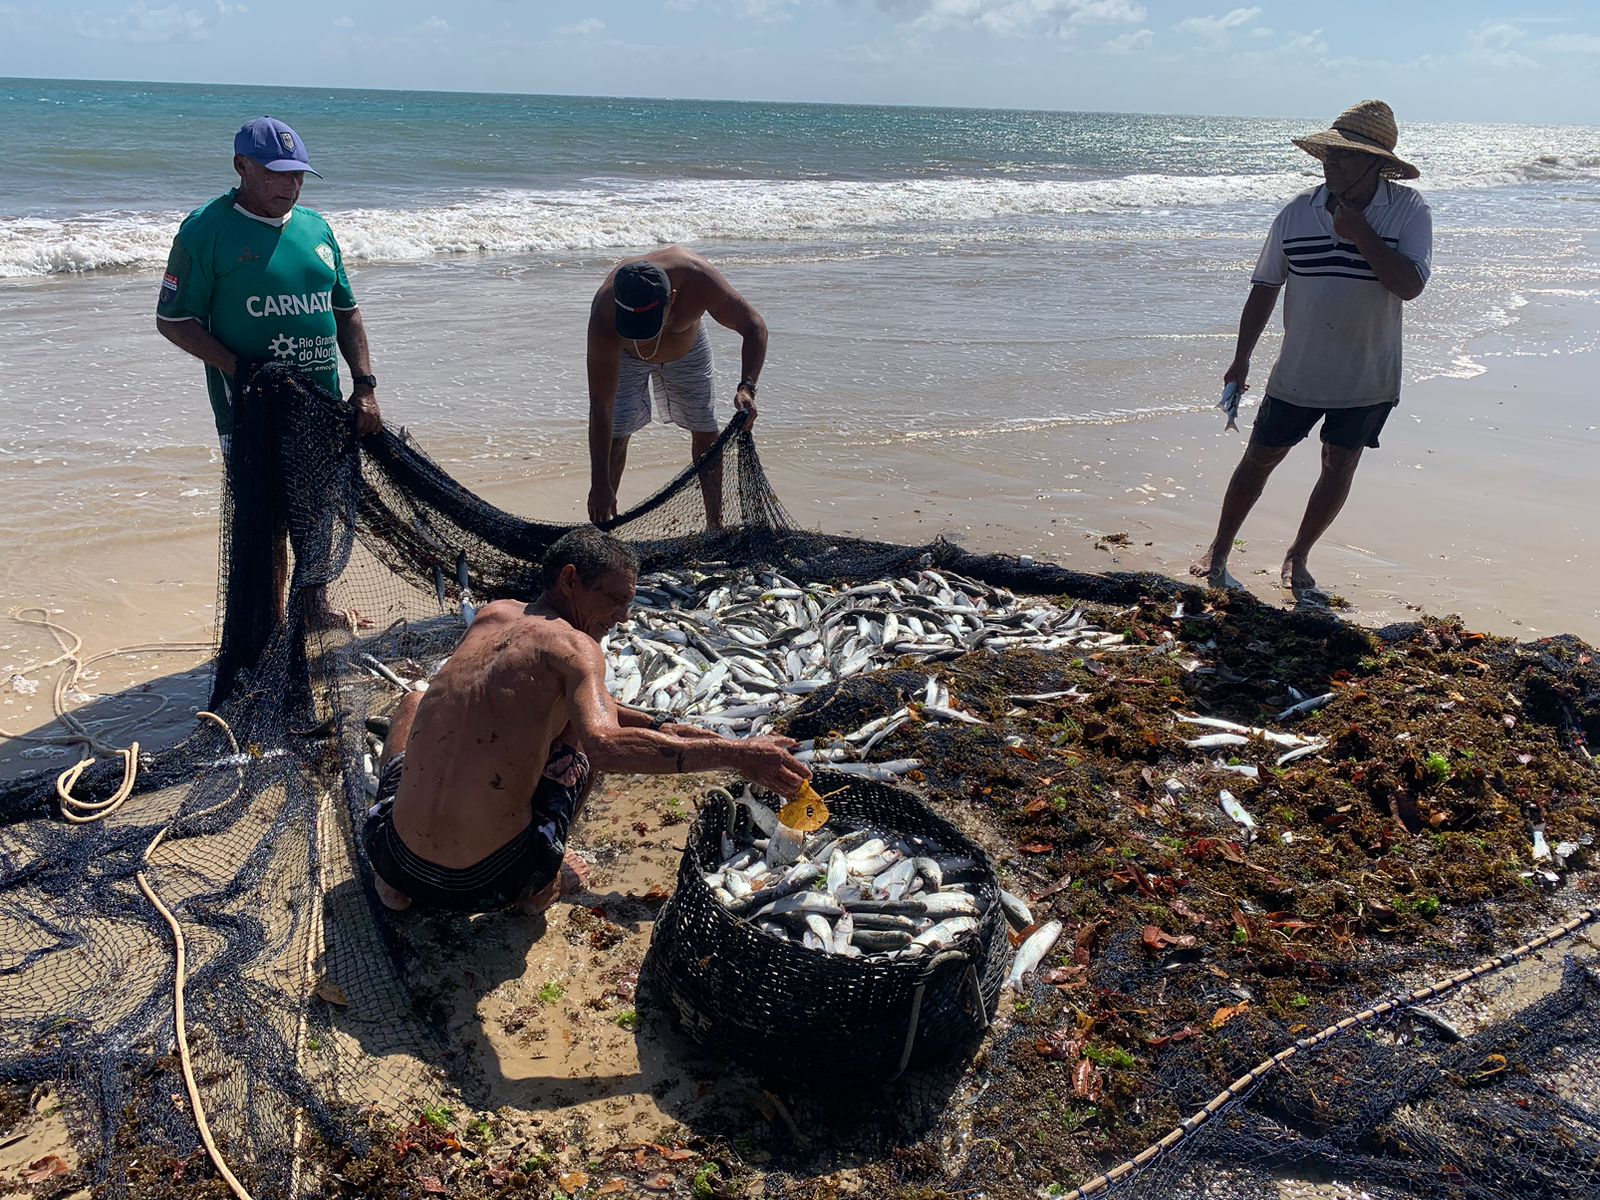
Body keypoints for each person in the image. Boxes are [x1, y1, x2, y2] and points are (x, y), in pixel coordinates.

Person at [364, 526, 811, 914]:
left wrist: (662, 729)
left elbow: (503, 706)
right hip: (492, 880)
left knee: (414, 702)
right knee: (578, 740)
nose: (624, 617)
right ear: (571, 580)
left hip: (393, 858)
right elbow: (604, 744)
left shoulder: (492, 614)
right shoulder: (577, 647)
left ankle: (396, 887)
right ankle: (544, 884)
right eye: (616, 600)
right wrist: (738, 757)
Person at [1190, 100, 1432, 598]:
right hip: (1299, 370)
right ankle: (1219, 547)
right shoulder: (1296, 213)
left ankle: (1299, 553)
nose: (1330, 163)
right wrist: (1241, 359)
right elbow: (1264, 286)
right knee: (1259, 457)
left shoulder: (1409, 210)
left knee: (1339, 463)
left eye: (1343, 156)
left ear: (1375, 162)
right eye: (1327, 154)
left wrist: (1361, 234)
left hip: (1369, 374)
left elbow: (1409, 286)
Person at [156, 116, 382, 629]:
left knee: (318, 510)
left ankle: (314, 608)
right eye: (278, 173)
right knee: (266, 519)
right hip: (251, 411)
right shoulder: (204, 230)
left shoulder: (317, 228)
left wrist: (364, 385)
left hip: (321, 404)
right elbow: (173, 319)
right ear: (242, 166)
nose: (292, 184)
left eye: (299, 174)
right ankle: (274, 623)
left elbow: (346, 311)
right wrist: (241, 369)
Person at [586, 247, 768, 531]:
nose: (643, 334)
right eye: (633, 326)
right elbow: (601, 406)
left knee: (706, 429)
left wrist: (747, 387)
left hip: (687, 348)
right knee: (616, 433)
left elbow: (754, 326)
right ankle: (604, 527)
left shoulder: (699, 279)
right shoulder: (605, 314)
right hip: (626, 356)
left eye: (648, 326)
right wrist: (599, 484)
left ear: (671, 299)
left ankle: (714, 525)